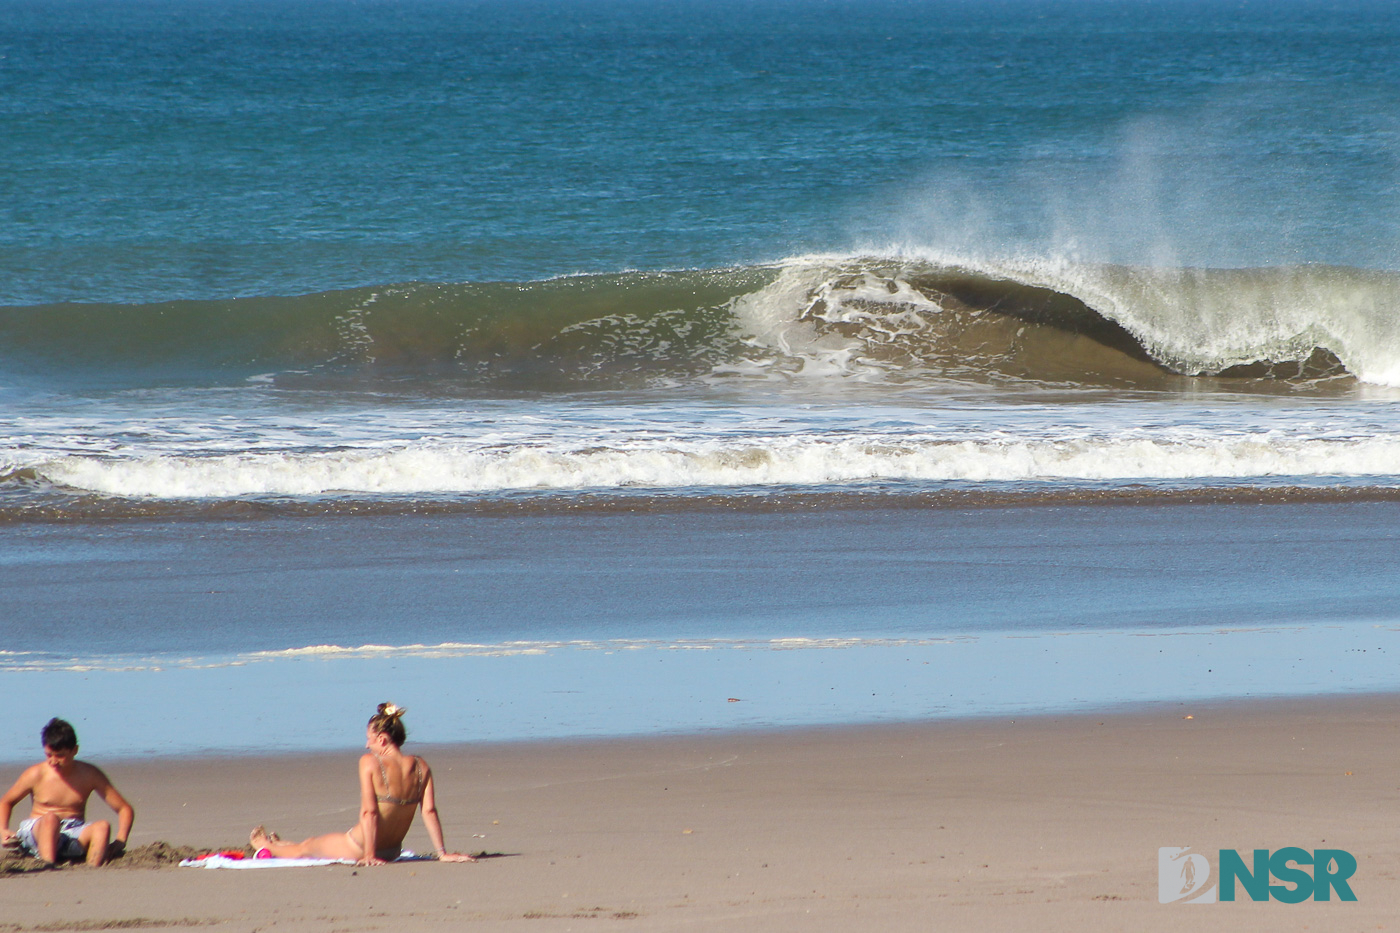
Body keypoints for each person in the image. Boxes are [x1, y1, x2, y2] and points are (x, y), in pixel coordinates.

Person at [249, 703, 476, 866]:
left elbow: (370, 812)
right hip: (392, 851)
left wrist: (368, 855)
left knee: (306, 848)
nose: (367, 745)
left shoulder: (369, 763)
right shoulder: (421, 766)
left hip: (358, 847)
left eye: (369, 738)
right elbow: (429, 811)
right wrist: (442, 853)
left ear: (382, 739)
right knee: (312, 844)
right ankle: (281, 843)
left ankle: (264, 845)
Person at [0, 718, 135, 867]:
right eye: (49, 755)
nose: (53, 761)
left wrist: (121, 839)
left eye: (60, 756)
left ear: (74, 750)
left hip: (73, 830)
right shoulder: (36, 774)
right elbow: (6, 802)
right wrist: (3, 830)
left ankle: (92, 871)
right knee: (51, 819)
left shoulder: (89, 774)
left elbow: (124, 808)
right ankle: (47, 866)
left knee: (102, 826)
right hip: (39, 829)